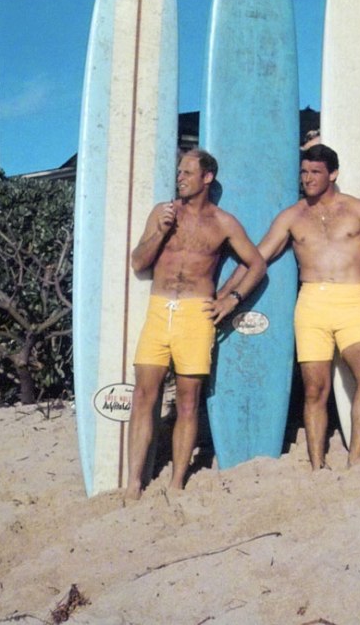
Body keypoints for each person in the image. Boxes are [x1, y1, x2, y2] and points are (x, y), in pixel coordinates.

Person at [227, 144, 360, 469]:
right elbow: (258, 256)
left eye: (315, 172)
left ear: (333, 174)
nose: (308, 178)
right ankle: (317, 465)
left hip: (352, 299)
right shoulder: (292, 216)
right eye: (304, 172)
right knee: (315, 387)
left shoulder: (358, 210)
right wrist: (227, 293)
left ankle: (356, 456)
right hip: (312, 303)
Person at [125, 149, 266, 501]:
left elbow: (257, 264)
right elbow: (138, 263)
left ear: (207, 178)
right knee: (144, 396)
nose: (180, 177)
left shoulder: (223, 222)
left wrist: (230, 299)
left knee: (188, 401)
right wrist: (159, 232)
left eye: (188, 172)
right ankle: (133, 484)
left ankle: (176, 483)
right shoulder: (163, 212)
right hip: (159, 310)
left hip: (195, 315)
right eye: (179, 172)